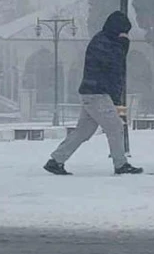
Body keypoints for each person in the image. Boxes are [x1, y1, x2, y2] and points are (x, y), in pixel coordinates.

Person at [44, 11, 142, 176]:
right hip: (98, 94)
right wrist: (124, 43)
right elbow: (115, 64)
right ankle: (121, 165)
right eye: (124, 31)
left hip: (92, 93)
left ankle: (56, 161)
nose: (125, 35)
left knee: (83, 131)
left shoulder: (103, 40)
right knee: (116, 127)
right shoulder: (106, 43)